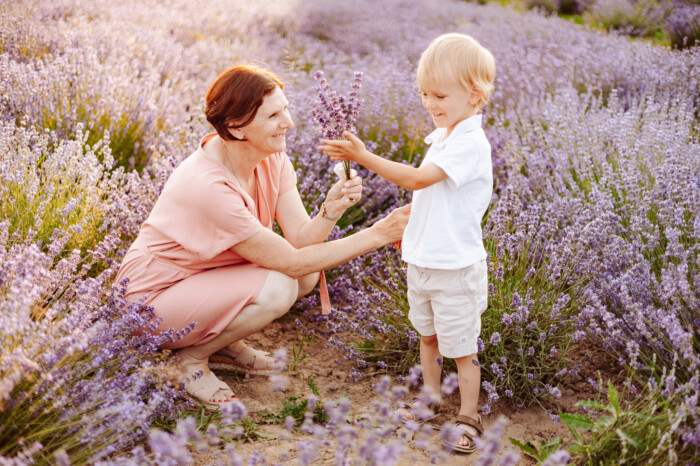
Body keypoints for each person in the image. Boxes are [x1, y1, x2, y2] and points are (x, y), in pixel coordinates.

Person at [115, 64, 410, 410]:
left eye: (285, 108)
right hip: (152, 298)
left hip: (199, 280)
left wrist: (331, 210)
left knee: (304, 277)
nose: (289, 122)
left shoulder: (271, 157)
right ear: (237, 128)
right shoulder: (209, 187)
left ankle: (222, 342)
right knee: (281, 285)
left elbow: (300, 240)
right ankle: (189, 360)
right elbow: (289, 261)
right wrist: (377, 234)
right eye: (273, 115)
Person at [319, 33, 495, 453]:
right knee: (429, 337)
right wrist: (413, 235)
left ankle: (469, 414)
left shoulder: (469, 143)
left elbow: (416, 181)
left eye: (439, 95)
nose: (430, 103)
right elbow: (432, 199)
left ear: (474, 95)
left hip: (455, 268)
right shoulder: (444, 137)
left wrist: (363, 156)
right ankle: (431, 401)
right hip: (426, 259)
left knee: (463, 348)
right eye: (423, 94)